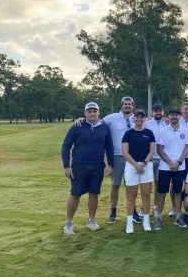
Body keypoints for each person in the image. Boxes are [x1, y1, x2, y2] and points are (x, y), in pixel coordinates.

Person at [73, 96, 141, 224]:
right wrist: (82, 119)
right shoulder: (112, 117)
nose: (127, 106)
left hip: (132, 158)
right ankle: (113, 212)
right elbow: (95, 122)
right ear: (121, 106)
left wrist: (165, 119)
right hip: (117, 156)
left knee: (131, 186)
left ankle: (133, 212)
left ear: (133, 106)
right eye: (125, 104)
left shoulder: (137, 118)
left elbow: (154, 123)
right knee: (115, 185)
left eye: (129, 104)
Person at [61, 102, 113, 235]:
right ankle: (69, 223)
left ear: (98, 113)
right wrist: (66, 166)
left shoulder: (104, 127)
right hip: (79, 165)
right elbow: (66, 146)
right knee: (75, 194)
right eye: (89, 111)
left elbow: (109, 147)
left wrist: (110, 164)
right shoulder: (77, 125)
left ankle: (91, 220)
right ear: (85, 113)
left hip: (97, 165)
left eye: (94, 111)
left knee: (94, 193)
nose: (92, 113)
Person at [155, 107, 188, 229]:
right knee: (161, 192)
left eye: (176, 115)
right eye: (172, 115)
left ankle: (178, 217)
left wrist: (178, 162)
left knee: (177, 192)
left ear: (180, 116)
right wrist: (170, 163)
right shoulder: (163, 131)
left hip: (180, 167)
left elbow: (187, 148)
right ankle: (159, 218)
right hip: (165, 167)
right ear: (169, 117)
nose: (174, 117)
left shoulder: (185, 131)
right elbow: (159, 149)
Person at [122, 109, 156, 233]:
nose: (139, 119)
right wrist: (136, 164)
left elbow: (152, 150)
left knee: (146, 195)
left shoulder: (149, 133)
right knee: (131, 196)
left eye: (142, 117)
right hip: (132, 166)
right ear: (133, 118)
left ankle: (146, 222)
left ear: (144, 119)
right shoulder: (128, 133)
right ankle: (129, 223)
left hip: (146, 165)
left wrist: (144, 163)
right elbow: (125, 152)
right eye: (137, 117)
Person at [144, 103, 167, 218]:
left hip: (162, 159)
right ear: (152, 112)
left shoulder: (167, 124)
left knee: (158, 185)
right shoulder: (146, 123)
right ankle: (144, 209)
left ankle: (156, 207)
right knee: (147, 185)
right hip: (149, 159)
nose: (158, 113)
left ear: (163, 112)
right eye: (156, 111)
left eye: (160, 111)